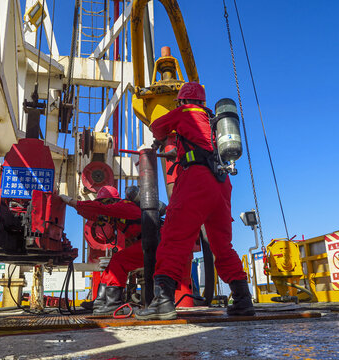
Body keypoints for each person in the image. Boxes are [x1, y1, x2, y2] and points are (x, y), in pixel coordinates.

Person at [135, 82, 255, 320]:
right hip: (221, 183)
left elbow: (157, 126)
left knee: (174, 237)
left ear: (181, 101)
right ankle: (243, 299)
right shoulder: (213, 121)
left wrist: (165, 136)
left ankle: (163, 302)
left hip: (196, 180)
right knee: (222, 246)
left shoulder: (185, 112)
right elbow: (201, 145)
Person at [60, 185, 142, 315]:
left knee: (119, 261)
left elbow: (98, 209)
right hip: (146, 243)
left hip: (152, 243)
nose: (105, 206)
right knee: (112, 265)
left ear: (111, 201)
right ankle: (100, 301)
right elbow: (99, 213)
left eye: (104, 202)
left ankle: (113, 304)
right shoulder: (118, 214)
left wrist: (71, 202)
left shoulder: (124, 206)